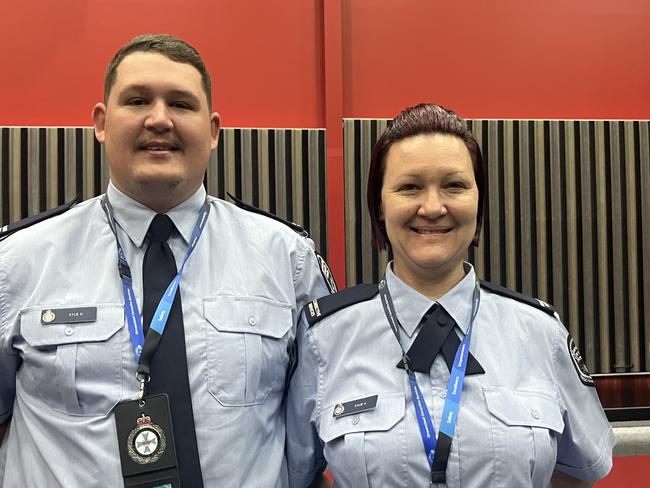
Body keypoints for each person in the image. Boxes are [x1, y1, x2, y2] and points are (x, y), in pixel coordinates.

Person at [0, 34, 334, 487]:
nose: (159, 120)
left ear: (213, 130)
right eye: (137, 101)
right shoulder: (17, 262)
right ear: (101, 122)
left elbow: (309, 430)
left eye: (181, 104)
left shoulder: (288, 259)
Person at [286, 104, 614, 487]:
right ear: (379, 205)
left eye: (454, 185)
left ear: (479, 202)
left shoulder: (540, 333)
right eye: (409, 187)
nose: (432, 207)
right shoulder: (324, 338)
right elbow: (299, 476)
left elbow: (578, 473)